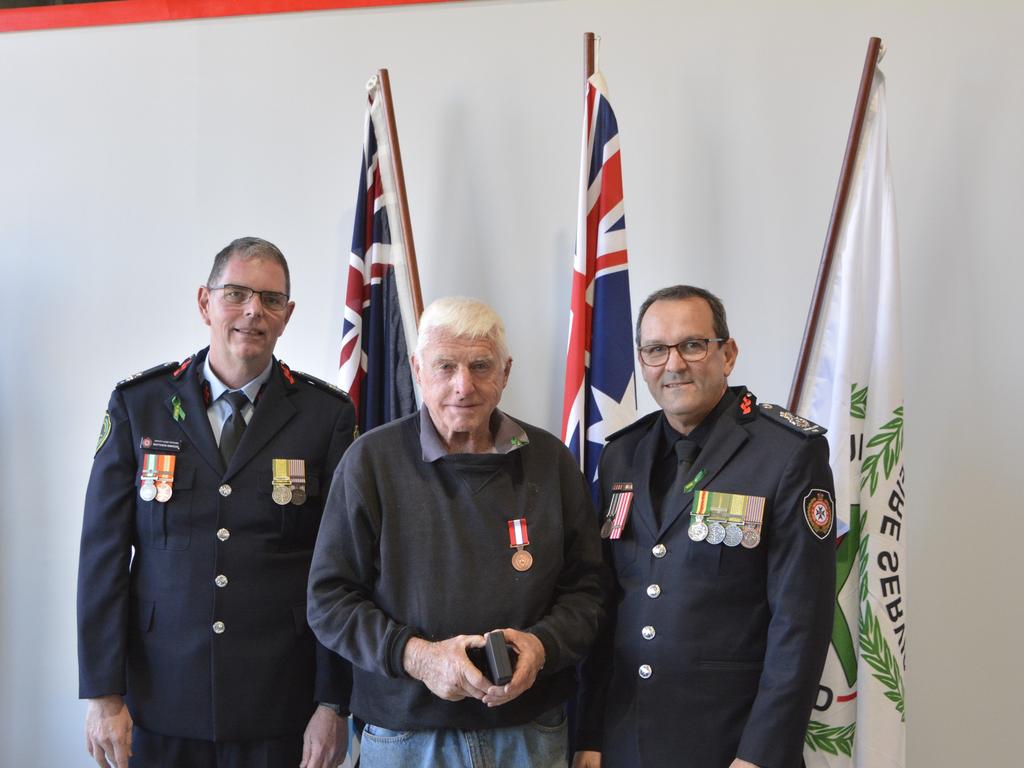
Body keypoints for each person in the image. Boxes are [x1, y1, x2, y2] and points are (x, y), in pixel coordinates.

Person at [78, 237, 354, 768]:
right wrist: (103, 693)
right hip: (158, 700)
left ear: (287, 315)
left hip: (281, 705)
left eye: (271, 299)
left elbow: (341, 570)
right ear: (205, 303)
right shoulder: (141, 405)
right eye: (237, 293)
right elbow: (102, 559)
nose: (254, 311)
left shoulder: (327, 417)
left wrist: (332, 703)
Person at [307, 296, 604, 768]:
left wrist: (542, 645)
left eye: (480, 366)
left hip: (530, 734)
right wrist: (417, 657)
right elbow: (329, 599)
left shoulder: (550, 461)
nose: (462, 386)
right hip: (405, 739)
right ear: (418, 369)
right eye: (445, 366)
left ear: (505, 373)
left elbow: (589, 591)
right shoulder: (370, 461)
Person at [574, 285, 836, 768]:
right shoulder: (621, 455)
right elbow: (606, 606)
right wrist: (589, 732)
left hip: (730, 745)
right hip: (625, 741)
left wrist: (762, 753)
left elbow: (801, 621)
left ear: (728, 354)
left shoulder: (786, 454)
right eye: (656, 350)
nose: (674, 364)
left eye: (693, 345)